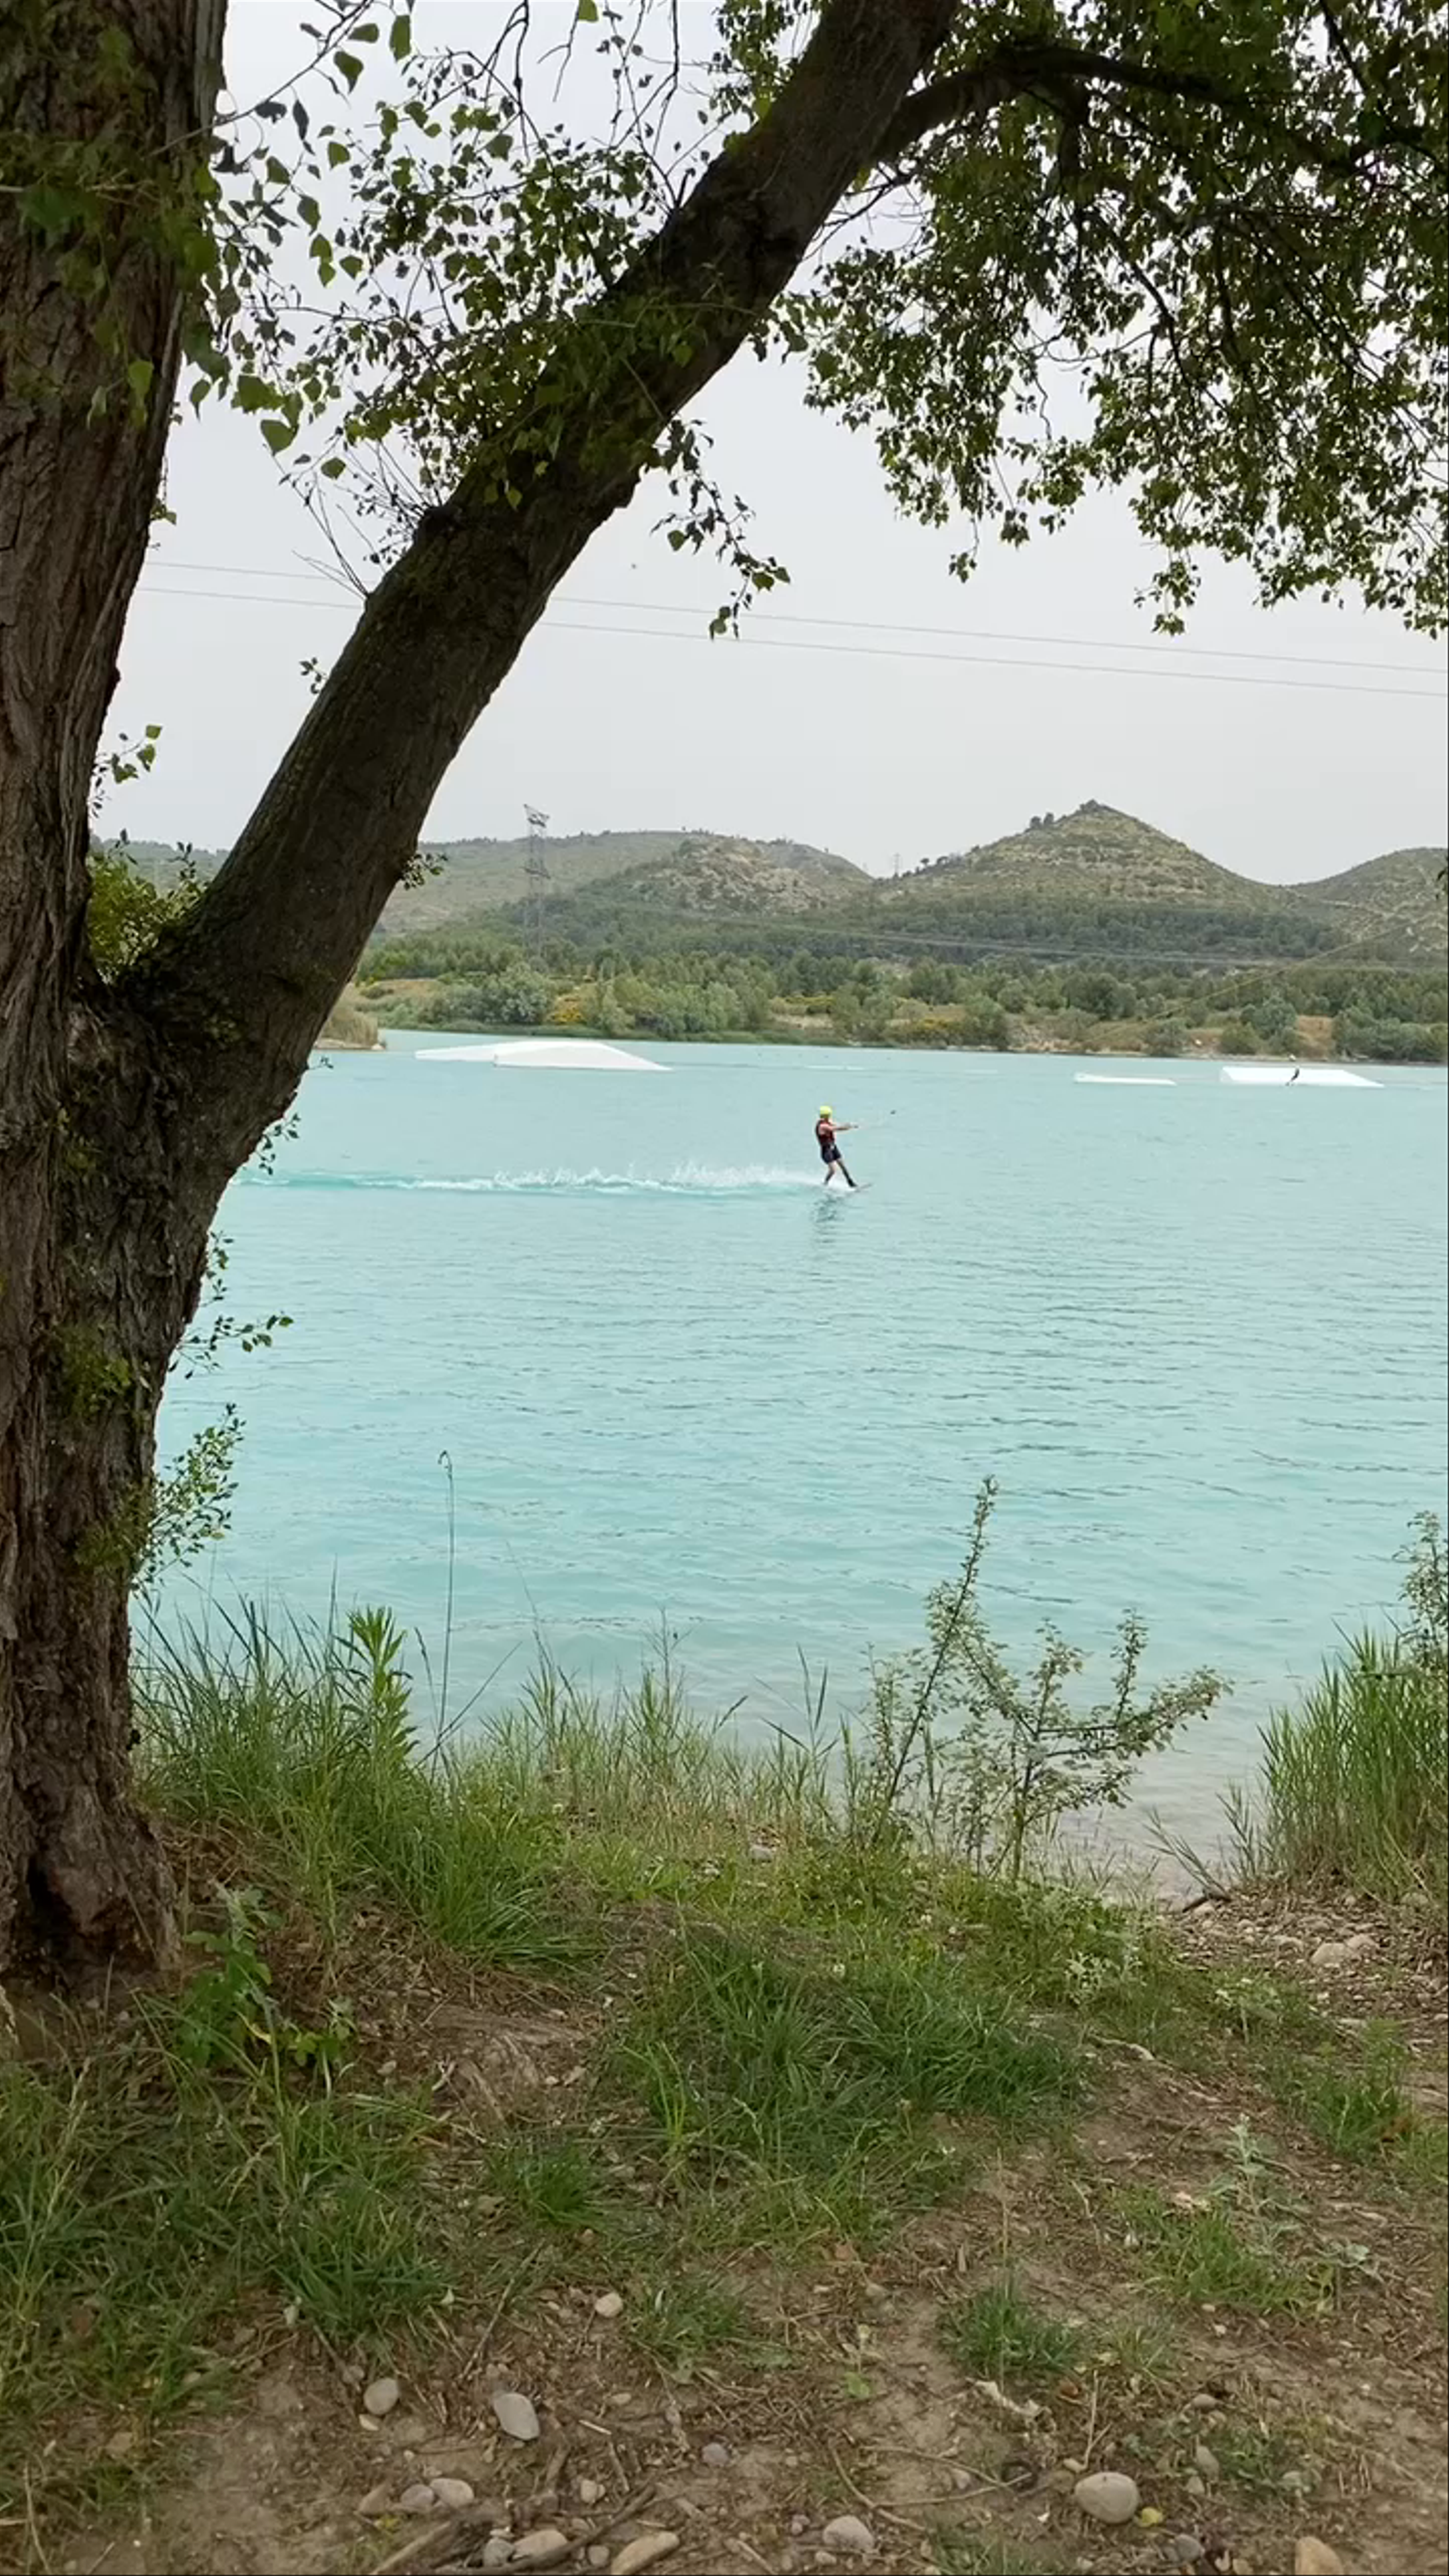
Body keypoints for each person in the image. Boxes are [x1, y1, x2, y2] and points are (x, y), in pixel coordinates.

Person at [814, 1104, 857, 1188]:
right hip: (826, 1150)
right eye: (829, 1115)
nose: (830, 1116)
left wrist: (850, 1125)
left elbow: (838, 1125)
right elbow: (835, 1129)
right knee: (833, 1170)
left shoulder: (828, 1122)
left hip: (833, 1147)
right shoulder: (822, 1126)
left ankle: (851, 1183)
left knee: (843, 1166)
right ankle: (825, 1183)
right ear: (826, 1115)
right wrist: (849, 1128)